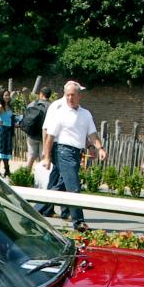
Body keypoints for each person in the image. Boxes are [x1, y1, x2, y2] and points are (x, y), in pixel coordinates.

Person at [37, 81, 107, 227]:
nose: (69, 98)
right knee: (73, 187)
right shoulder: (59, 111)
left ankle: (36, 210)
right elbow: (49, 135)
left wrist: (99, 148)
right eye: (67, 95)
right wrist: (47, 156)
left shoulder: (85, 114)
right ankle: (79, 222)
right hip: (63, 151)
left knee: (60, 185)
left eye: (73, 95)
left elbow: (92, 134)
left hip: (76, 152)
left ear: (79, 96)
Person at [20, 87, 51, 174]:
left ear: (41, 94)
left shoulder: (33, 103)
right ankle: (41, 177)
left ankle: (25, 176)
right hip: (44, 136)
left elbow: (26, 115)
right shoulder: (51, 107)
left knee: (31, 156)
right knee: (43, 157)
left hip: (32, 134)